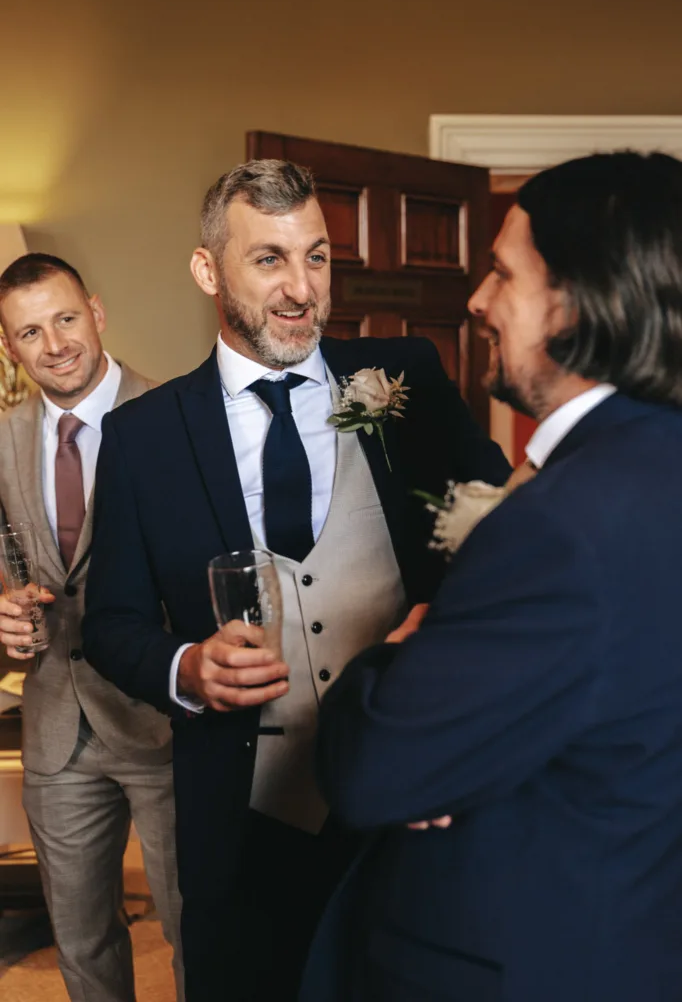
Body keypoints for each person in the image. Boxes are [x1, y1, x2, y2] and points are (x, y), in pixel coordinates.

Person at [81, 159, 511, 1002]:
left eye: (315, 257)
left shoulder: (400, 379)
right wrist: (188, 670)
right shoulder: (144, 436)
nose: (301, 289)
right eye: (269, 259)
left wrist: (447, 620)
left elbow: (506, 526)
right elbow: (112, 622)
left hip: (406, 800)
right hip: (243, 823)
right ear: (208, 269)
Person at [302, 150, 682, 1002]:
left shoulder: (560, 524)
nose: (474, 301)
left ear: (580, 299)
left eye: (503, 274)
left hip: (518, 958)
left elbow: (375, 770)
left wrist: (400, 655)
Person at [0, 254, 183, 1001]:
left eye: (66, 319)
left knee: (194, 925)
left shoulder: (176, 416)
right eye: (30, 332)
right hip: (54, 724)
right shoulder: (3, 437)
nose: (56, 344)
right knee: (80, 939)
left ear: (98, 313)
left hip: (165, 722)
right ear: (11, 347)